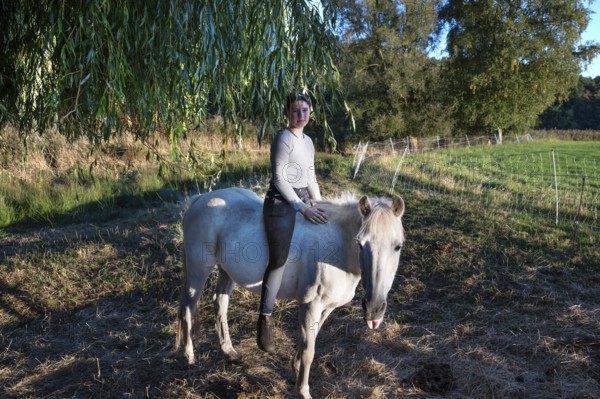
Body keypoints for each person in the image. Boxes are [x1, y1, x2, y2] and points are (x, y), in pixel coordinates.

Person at [257, 93, 328, 354]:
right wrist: (301, 208)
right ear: (287, 112)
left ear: (311, 112)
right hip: (281, 202)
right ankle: (265, 316)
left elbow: (310, 176)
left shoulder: (308, 141)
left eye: (305, 110)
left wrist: (321, 204)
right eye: (296, 111)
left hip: (305, 199)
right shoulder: (283, 138)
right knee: (279, 259)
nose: (301, 115)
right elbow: (279, 177)